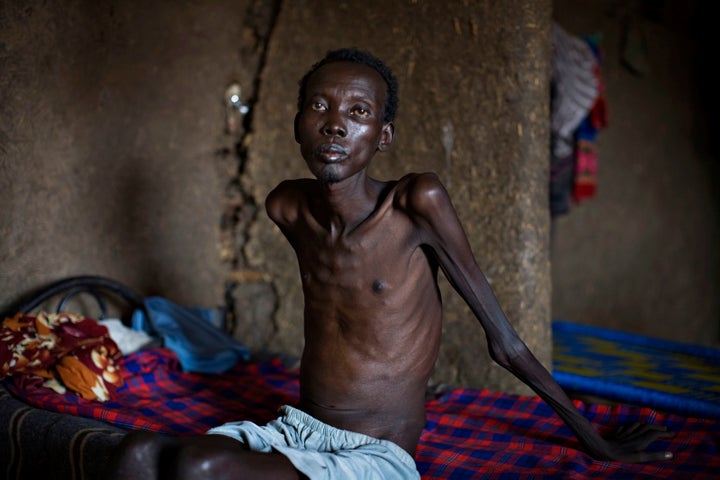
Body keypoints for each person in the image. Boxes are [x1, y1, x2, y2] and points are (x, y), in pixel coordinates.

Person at [106, 48, 672, 480]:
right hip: (295, 428)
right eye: (320, 107)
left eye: (358, 112)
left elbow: (504, 343)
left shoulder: (415, 204)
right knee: (135, 453)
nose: (335, 124)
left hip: (376, 457)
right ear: (297, 122)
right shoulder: (287, 207)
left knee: (197, 469)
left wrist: (594, 440)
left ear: (383, 136)